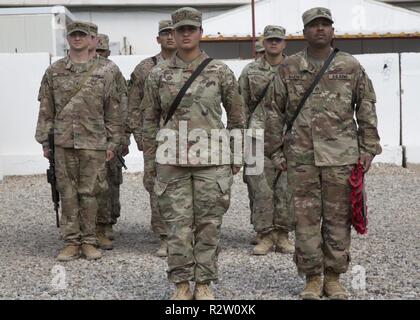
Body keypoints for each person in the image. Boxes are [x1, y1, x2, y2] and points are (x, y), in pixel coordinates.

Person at [250, 7, 381, 299]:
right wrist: (275, 152)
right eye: (314, 25)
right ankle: (311, 277)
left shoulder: (350, 65)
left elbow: (367, 106)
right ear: (305, 32)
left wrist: (368, 148)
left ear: (332, 30)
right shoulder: (290, 67)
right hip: (301, 158)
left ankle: (333, 278)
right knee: (305, 221)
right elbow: (273, 112)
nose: (320, 29)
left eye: (325, 25)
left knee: (338, 220)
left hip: (341, 158)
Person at [140, 7, 245, 299]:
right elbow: (148, 120)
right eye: (180, 30)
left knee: (209, 224)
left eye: (191, 29)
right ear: (171, 34)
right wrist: (150, 161)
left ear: (200, 33)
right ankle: (182, 284)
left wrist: (236, 157)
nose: (185, 34)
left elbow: (237, 117)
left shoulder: (220, 71)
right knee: (176, 225)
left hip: (212, 160)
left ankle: (204, 283)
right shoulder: (158, 74)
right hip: (172, 160)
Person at [35, 21, 121, 261]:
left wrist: (113, 143)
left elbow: (113, 110)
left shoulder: (106, 71)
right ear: (67, 38)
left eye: (82, 35)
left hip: (94, 142)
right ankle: (72, 242)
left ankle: (90, 241)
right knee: (67, 193)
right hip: (63, 142)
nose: (77, 39)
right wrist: (45, 141)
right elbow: (46, 108)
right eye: (73, 35)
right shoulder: (54, 71)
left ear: (91, 38)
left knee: (91, 192)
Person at [239, 25, 294, 255]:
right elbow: (239, 105)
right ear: (264, 42)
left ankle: (282, 234)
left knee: (286, 188)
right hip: (256, 136)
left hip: (287, 136)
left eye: (278, 40)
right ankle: (264, 234)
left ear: (284, 44)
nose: (274, 43)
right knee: (259, 188)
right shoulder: (250, 71)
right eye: (270, 39)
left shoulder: (296, 69)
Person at [127, 20, 177, 257]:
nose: (170, 37)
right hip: (155, 139)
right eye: (164, 34)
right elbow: (133, 104)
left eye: (172, 32)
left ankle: (186, 233)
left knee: (188, 185)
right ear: (158, 39)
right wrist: (140, 135)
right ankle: (165, 236)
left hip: (187, 138)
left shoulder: (195, 65)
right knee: (157, 186)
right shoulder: (145, 68)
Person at [95, 32, 129, 248]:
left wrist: (122, 136)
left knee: (110, 182)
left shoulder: (112, 72)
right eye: (95, 50)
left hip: (109, 136)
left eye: (101, 51)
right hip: (85, 137)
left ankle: (107, 222)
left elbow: (122, 104)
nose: (97, 55)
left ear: (107, 52)